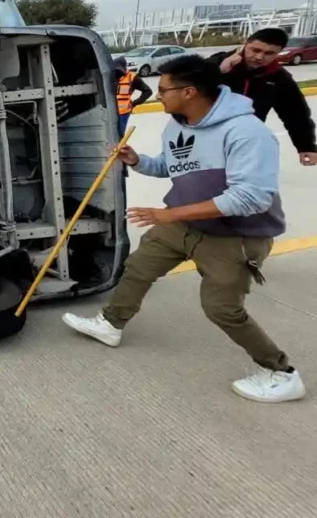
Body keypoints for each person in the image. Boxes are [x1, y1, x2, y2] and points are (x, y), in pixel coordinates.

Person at [62, 54, 304, 403]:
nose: (158, 95)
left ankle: (281, 373)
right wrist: (139, 161)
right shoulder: (176, 124)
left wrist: (168, 215)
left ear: (189, 92)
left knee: (222, 308)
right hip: (184, 222)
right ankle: (111, 324)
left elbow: (252, 198)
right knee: (138, 267)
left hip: (234, 236)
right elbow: (171, 166)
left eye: (164, 89)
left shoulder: (247, 133)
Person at [208, 27, 316, 166]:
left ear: (279, 53)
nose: (259, 57)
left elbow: (295, 114)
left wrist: (306, 146)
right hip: (206, 137)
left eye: (269, 53)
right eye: (255, 50)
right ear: (245, 44)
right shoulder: (218, 62)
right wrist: (219, 70)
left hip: (244, 141)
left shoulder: (278, 78)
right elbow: (183, 84)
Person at [113, 56, 152, 137]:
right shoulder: (110, 76)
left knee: (119, 135)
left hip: (123, 113)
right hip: (110, 111)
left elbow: (148, 92)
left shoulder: (132, 77)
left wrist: (134, 103)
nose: (117, 72)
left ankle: (119, 148)